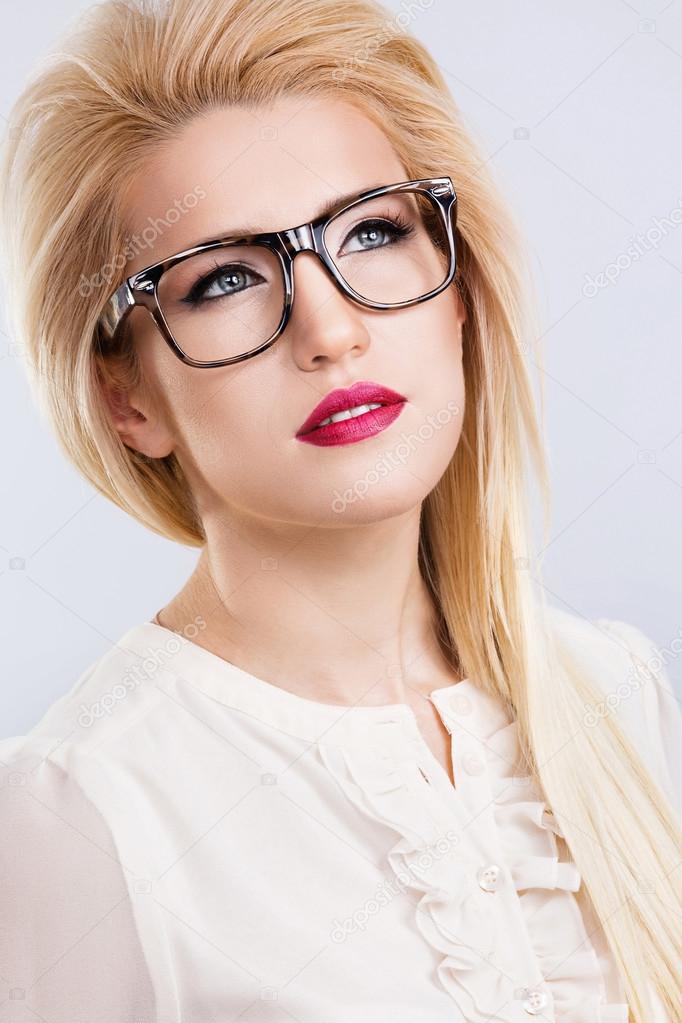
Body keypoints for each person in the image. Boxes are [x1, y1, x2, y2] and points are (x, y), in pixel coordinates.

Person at [1, 1, 680, 1020]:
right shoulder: (77, 809)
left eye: (371, 231)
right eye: (225, 277)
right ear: (125, 398)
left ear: (458, 289)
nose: (328, 328)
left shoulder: (611, 689)